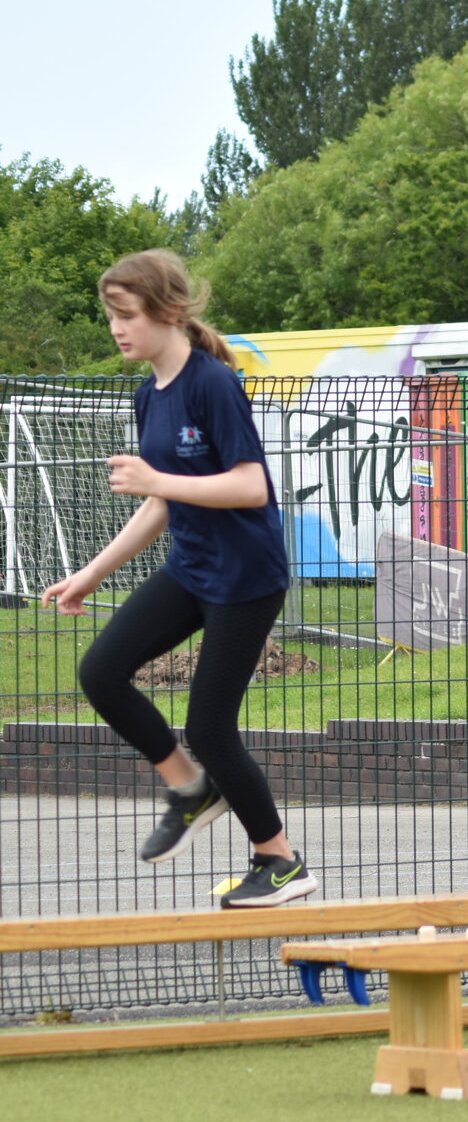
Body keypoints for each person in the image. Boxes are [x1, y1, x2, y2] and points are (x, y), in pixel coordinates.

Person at [43, 250, 317, 908]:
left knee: (211, 726)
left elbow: (251, 487)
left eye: (126, 314)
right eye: (110, 315)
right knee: (101, 671)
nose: (116, 328)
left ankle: (279, 860)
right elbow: (161, 504)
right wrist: (88, 574)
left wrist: (157, 478)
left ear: (168, 313)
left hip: (247, 578)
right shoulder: (149, 395)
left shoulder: (211, 384)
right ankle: (191, 787)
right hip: (190, 569)